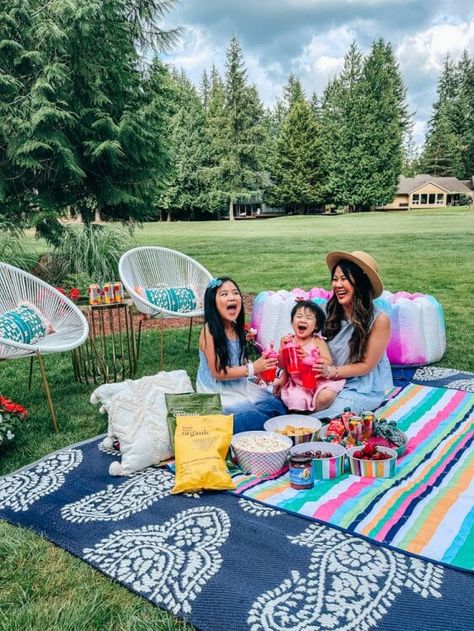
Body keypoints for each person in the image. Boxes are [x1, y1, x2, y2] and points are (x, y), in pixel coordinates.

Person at [196, 276, 287, 432]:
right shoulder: (209, 331)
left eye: (235, 293)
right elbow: (219, 373)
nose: (231, 297)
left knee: (278, 408)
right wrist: (254, 368)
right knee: (254, 420)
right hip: (218, 393)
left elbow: (240, 363)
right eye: (224, 294)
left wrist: (260, 372)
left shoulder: (235, 327)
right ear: (213, 303)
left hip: (239, 386)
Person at [312, 250, 393, 418]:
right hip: (325, 381)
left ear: (361, 282)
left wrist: (332, 371)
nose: (338, 285)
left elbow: (366, 366)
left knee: (331, 419)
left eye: (344, 279)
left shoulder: (379, 320)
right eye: (335, 279)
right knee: (288, 406)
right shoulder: (325, 311)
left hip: (360, 387)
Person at [274, 300, 345, 412]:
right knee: (295, 401)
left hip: (318, 381)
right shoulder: (289, 341)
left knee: (326, 396)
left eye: (308, 318)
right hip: (298, 384)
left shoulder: (317, 341)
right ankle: (301, 412)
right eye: (299, 316)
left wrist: (309, 357)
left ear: (316, 325)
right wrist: (282, 348)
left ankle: (314, 412)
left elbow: (328, 361)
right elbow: (282, 365)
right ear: (292, 322)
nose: (303, 320)